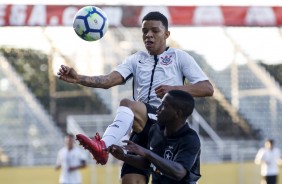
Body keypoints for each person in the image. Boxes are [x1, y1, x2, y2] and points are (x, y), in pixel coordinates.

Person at [58, 11, 213, 184]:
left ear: (167, 34)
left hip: (164, 124)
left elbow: (207, 88)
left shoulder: (179, 57)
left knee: (127, 104)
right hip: (142, 128)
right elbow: (109, 80)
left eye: (155, 31)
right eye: (145, 31)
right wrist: (79, 78)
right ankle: (104, 147)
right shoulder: (135, 59)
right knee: (130, 181)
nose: (148, 35)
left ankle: (103, 145)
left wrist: (173, 89)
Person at [109, 90, 201, 184]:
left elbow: (179, 172)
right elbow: (150, 163)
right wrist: (124, 156)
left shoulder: (190, 139)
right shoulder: (155, 130)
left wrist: (146, 153)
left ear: (178, 113)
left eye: (164, 105)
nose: (158, 108)